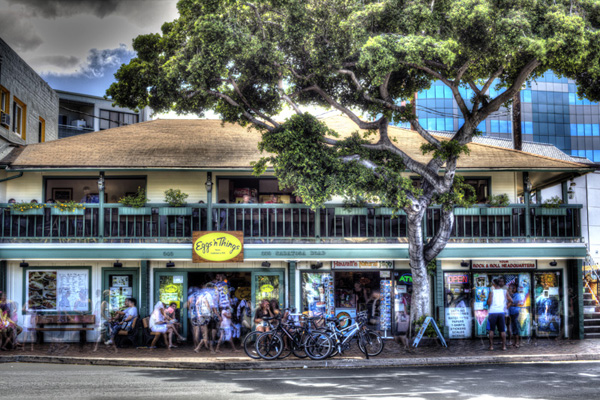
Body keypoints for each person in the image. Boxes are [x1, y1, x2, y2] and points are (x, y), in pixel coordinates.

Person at [487, 277, 512, 351]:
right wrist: (505, 308)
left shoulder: (492, 292)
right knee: (502, 330)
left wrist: (491, 296)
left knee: (491, 330)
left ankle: (491, 346)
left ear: (494, 285)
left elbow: (488, 303)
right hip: (501, 312)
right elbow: (511, 301)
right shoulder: (505, 292)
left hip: (492, 312)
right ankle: (504, 346)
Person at [194, 284, 218, 353]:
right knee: (208, 334)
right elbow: (210, 306)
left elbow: (196, 304)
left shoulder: (201, 295)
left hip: (201, 317)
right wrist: (213, 314)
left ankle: (198, 348)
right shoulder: (209, 295)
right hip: (208, 316)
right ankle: (211, 350)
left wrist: (198, 314)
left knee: (205, 334)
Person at [508, 283, 522, 348]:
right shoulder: (509, 295)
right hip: (511, 313)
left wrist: (510, 303)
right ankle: (514, 342)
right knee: (512, 327)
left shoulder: (517, 295)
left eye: (512, 288)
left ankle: (517, 342)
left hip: (516, 312)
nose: (511, 289)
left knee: (516, 327)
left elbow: (515, 303)